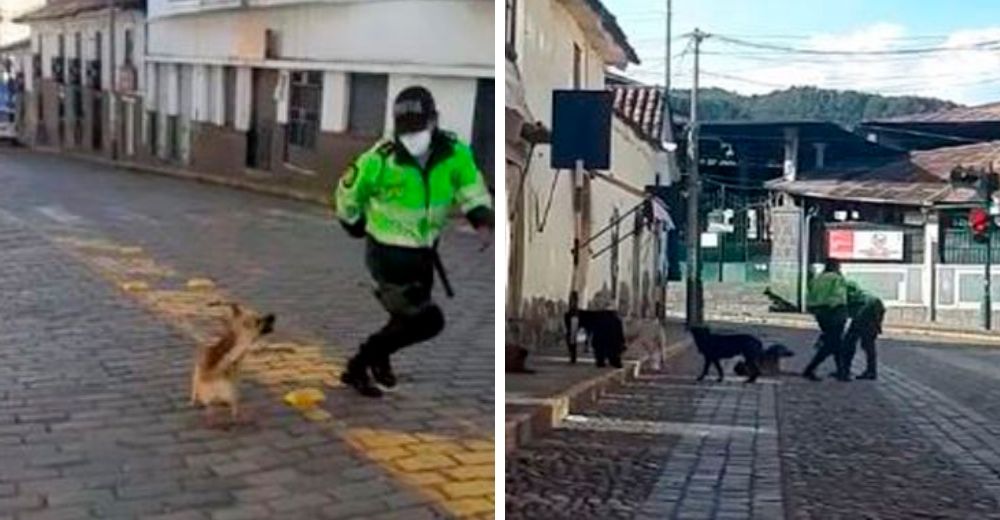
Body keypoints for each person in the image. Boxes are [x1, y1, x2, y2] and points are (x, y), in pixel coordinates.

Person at [334, 85, 493, 397]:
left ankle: (379, 358)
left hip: (424, 254)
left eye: (418, 128)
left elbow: (470, 186)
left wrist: (481, 218)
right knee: (427, 321)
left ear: (434, 121)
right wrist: (354, 223)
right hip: (387, 254)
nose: (412, 137)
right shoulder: (379, 159)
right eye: (405, 129)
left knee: (403, 318)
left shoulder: (454, 152)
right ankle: (359, 364)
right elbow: (347, 193)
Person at [802, 258, 851, 382]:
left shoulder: (818, 278)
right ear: (836, 267)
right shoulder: (837, 278)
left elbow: (811, 294)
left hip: (820, 314)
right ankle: (810, 369)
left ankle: (842, 372)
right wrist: (841, 309)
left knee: (835, 343)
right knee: (833, 343)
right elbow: (838, 296)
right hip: (835, 313)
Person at [842, 280, 885, 380]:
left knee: (850, 341)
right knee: (867, 343)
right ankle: (870, 371)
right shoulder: (856, 290)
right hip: (875, 306)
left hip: (866, 310)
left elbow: (850, 311)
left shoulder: (844, 292)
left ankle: (846, 370)